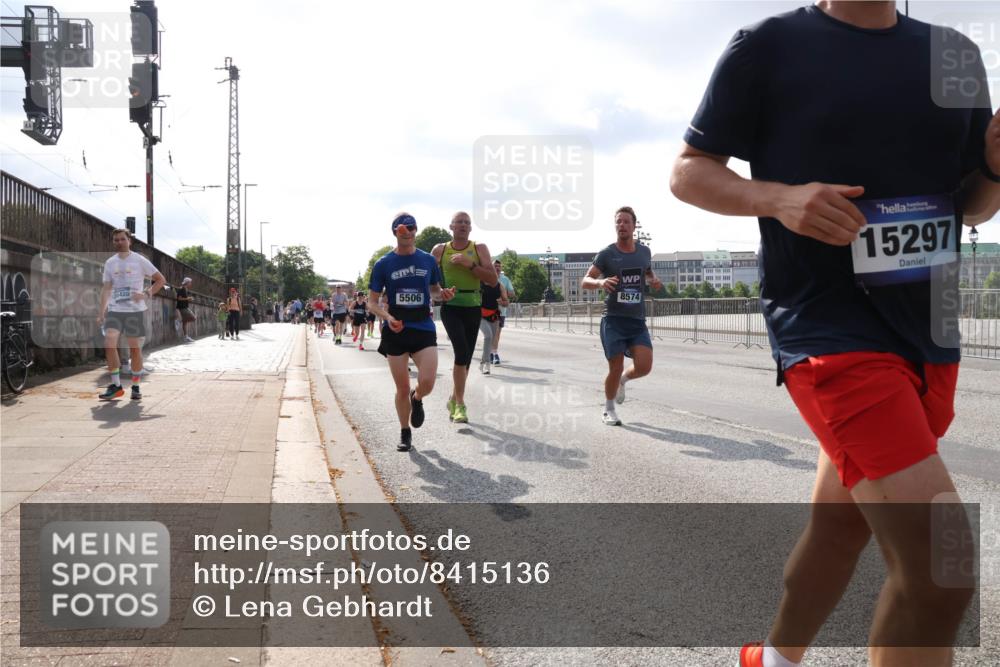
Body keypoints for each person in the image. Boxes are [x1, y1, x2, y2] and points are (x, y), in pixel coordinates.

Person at [669, 2, 1000, 665]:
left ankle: (772, 658)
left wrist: (993, 171)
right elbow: (688, 171)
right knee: (941, 573)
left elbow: (971, 207)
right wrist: (778, 198)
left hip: (928, 330)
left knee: (838, 529)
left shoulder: (956, 56)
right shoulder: (768, 45)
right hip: (828, 328)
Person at [367, 213, 455, 451]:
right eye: (402, 229)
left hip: (423, 326)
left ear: (416, 230)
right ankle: (405, 432)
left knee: (427, 382)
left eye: (411, 228)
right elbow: (372, 302)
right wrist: (387, 317)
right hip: (396, 328)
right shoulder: (383, 264)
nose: (407, 232)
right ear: (395, 232)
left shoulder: (427, 260)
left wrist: (442, 295)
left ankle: (417, 398)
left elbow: (434, 290)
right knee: (402, 387)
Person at [581, 206, 661, 426]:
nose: (622, 225)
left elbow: (647, 271)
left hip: (637, 320)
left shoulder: (644, 252)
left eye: (626, 221)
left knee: (644, 366)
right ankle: (608, 409)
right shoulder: (607, 254)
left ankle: (623, 381)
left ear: (634, 226)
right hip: (614, 320)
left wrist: (653, 280)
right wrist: (600, 282)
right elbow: (585, 280)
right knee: (615, 367)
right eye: (618, 221)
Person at [431, 211, 498, 423]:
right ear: (451, 226)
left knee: (466, 357)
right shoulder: (440, 249)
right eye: (458, 222)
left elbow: (493, 280)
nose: (463, 225)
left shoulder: (479, 248)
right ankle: (460, 404)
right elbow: (429, 280)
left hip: (473, 307)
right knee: (461, 352)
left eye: (466, 222)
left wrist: (470, 265)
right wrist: (440, 293)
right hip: (451, 307)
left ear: (470, 228)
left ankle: (453, 398)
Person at [96, 228, 166, 401]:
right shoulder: (110, 263)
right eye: (116, 240)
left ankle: (135, 386)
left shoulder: (139, 260)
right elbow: (106, 288)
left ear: (129, 241)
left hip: (134, 312)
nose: (119, 242)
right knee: (109, 344)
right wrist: (101, 312)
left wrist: (146, 294)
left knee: (134, 349)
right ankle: (116, 386)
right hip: (115, 310)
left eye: (122, 239)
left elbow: (160, 280)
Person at [478, 269, 508, 375]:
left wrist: (502, 302)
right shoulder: (479, 282)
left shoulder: (500, 286)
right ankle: (486, 364)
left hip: (494, 316)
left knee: (490, 341)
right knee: (488, 336)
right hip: (480, 315)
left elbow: (506, 302)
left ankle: (483, 362)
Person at [492, 259, 515, 365]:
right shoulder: (486, 278)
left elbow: (512, 294)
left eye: (499, 266)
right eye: (495, 266)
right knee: (491, 333)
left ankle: (493, 353)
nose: (497, 268)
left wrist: (504, 293)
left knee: (497, 333)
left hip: (501, 311)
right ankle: (493, 353)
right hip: (487, 310)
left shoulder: (505, 279)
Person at [174, 276, 196, 342]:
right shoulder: (182, 289)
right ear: (187, 282)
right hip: (182, 307)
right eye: (190, 282)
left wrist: (188, 299)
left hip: (185, 307)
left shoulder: (185, 289)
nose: (191, 284)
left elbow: (183, 298)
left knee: (185, 322)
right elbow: (179, 298)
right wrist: (188, 298)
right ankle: (179, 320)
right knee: (193, 318)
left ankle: (186, 337)